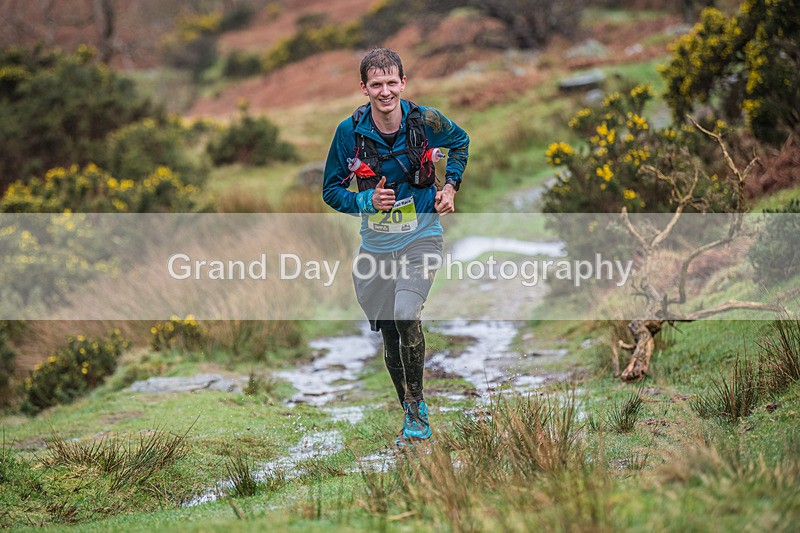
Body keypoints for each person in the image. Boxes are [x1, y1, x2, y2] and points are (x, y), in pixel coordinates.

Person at [322, 48, 469, 445]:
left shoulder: (426, 120)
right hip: (376, 245)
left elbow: (461, 142)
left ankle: (417, 401)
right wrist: (366, 202)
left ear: (403, 83)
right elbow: (331, 191)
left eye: (392, 83)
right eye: (376, 85)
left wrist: (450, 185)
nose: (385, 91)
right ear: (364, 88)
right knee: (389, 333)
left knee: (406, 314)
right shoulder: (348, 132)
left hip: (422, 234)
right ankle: (409, 408)